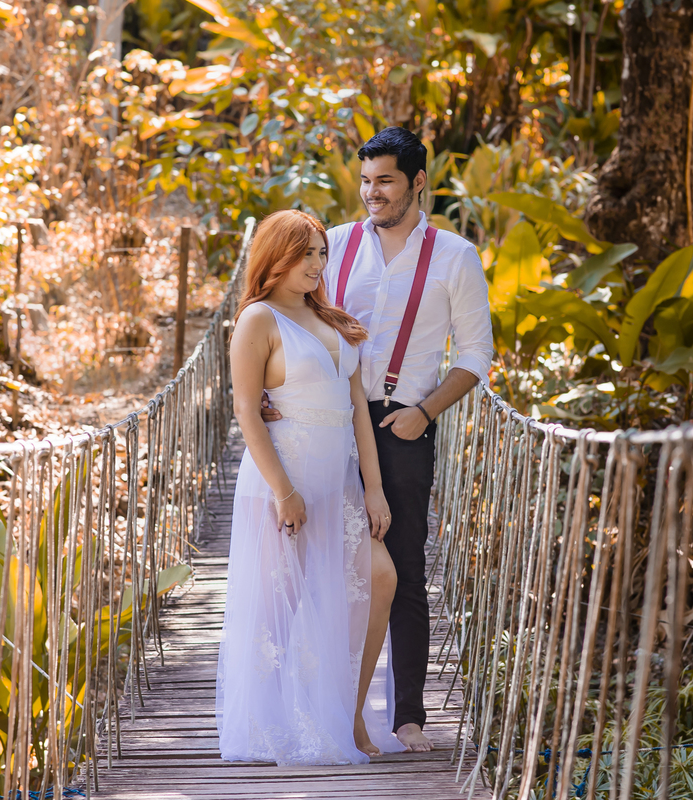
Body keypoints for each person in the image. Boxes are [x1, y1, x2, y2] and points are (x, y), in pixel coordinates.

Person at [262, 127, 493, 752]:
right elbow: (279, 312)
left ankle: (407, 717)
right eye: (366, 181)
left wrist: (426, 411)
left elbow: (476, 354)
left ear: (418, 182)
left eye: (385, 181)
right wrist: (262, 389)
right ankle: (300, 703)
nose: (372, 193)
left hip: (400, 425)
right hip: (320, 422)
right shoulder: (332, 245)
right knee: (307, 565)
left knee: (404, 569)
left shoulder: (456, 257)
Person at [216, 209, 407, 765]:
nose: (317, 263)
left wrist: (373, 488)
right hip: (284, 483)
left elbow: (357, 409)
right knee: (276, 610)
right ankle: (268, 722)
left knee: (379, 579)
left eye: (322, 253)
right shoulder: (257, 320)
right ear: (275, 257)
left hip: (339, 485)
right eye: (305, 254)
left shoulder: (331, 317)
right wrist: (284, 491)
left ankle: (348, 714)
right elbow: (247, 411)